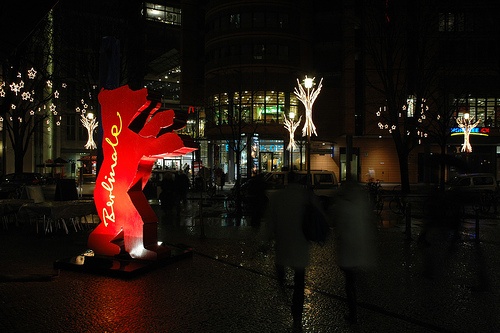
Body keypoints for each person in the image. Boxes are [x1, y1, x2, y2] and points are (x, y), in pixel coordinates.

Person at [261, 171, 319, 331]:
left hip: (283, 244)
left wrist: (265, 241)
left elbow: (269, 222)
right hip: (300, 245)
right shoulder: (305, 196)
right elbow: (318, 217)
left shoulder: (278, 197)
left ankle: (285, 297)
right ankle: (297, 315)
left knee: (281, 274)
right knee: (299, 283)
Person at [330, 179, 376, 324]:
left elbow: (335, 222)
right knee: (359, 280)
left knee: (350, 283)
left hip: (348, 249)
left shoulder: (342, 205)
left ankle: (353, 313)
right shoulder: (362, 202)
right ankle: (370, 308)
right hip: (360, 247)